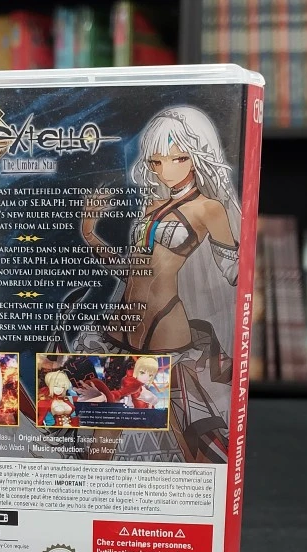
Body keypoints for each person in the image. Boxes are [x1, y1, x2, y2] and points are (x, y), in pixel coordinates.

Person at [76, 105, 241, 463]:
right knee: (111, 421)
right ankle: (90, 487)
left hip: (165, 322)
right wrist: (90, 233)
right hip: (122, 324)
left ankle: (199, 488)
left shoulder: (209, 208)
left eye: (178, 158)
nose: (166, 169)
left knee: (176, 425)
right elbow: (132, 269)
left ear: (195, 157)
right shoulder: (152, 205)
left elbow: (233, 271)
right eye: (156, 161)